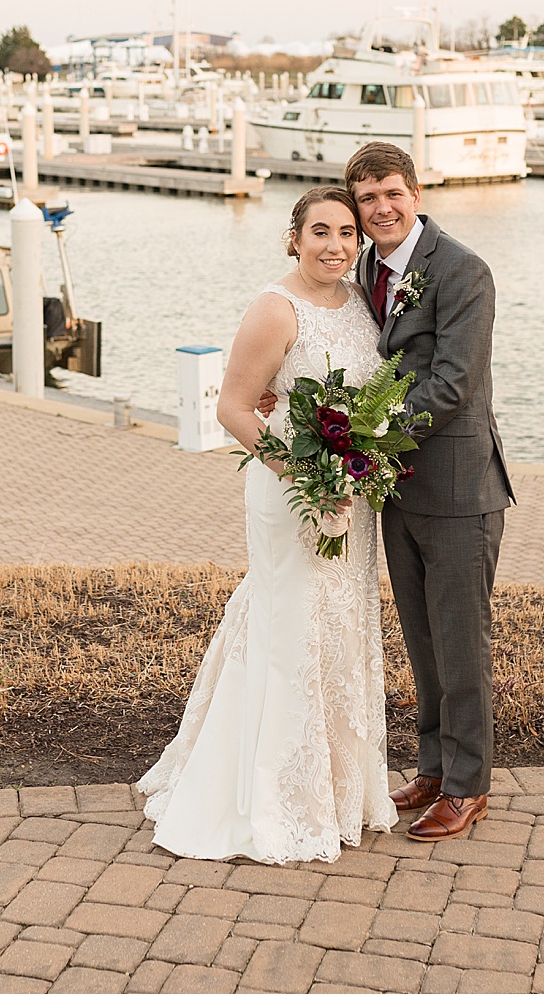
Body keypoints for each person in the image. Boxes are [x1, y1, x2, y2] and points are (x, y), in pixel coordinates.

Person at [137, 187, 398, 864]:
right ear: (294, 237)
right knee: (291, 625)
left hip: (350, 496)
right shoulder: (273, 308)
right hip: (293, 494)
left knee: (341, 626)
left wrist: (355, 469)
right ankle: (276, 796)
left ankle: (340, 790)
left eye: (346, 231)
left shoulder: (361, 303)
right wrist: (306, 477)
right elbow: (232, 408)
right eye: (320, 231)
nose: (335, 244)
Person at [345, 141, 513, 843]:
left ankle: (469, 784)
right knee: (422, 638)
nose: (381, 207)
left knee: (460, 642)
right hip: (398, 490)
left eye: (391, 192)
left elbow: (453, 383)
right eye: (367, 198)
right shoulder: (366, 267)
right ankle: (435, 764)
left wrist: (366, 439)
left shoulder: (464, 269)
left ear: (415, 192)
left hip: (458, 487)